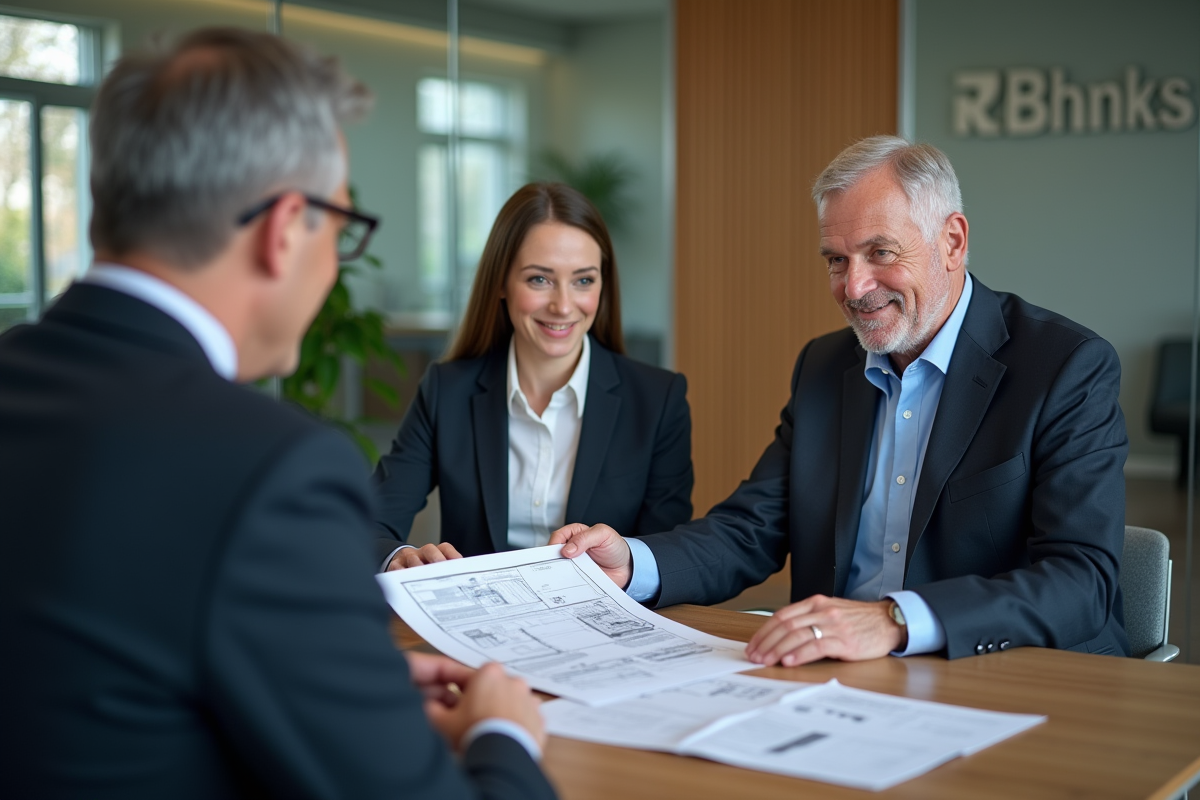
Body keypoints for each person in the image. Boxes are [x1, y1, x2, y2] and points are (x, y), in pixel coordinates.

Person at [0, 28, 556, 800]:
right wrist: (502, 735)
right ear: (284, 227)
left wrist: (332, 677)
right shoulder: (272, 470)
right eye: (339, 227)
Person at [552, 135, 1130, 665]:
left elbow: (1081, 580)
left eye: (881, 252)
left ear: (952, 242)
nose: (854, 287)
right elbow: (753, 527)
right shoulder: (826, 367)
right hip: (838, 681)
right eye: (837, 259)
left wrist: (894, 621)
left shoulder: (1064, 367)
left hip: (1000, 675)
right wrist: (632, 563)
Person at [374, 182, 693, 570]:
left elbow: (667, 554)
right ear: (501, 284)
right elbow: (372, 520)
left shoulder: (658, 400)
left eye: (583, 280)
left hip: (606, 619)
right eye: (539, 279)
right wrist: (397, 556)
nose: (562, 305)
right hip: (477, 621)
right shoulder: (447, 391)